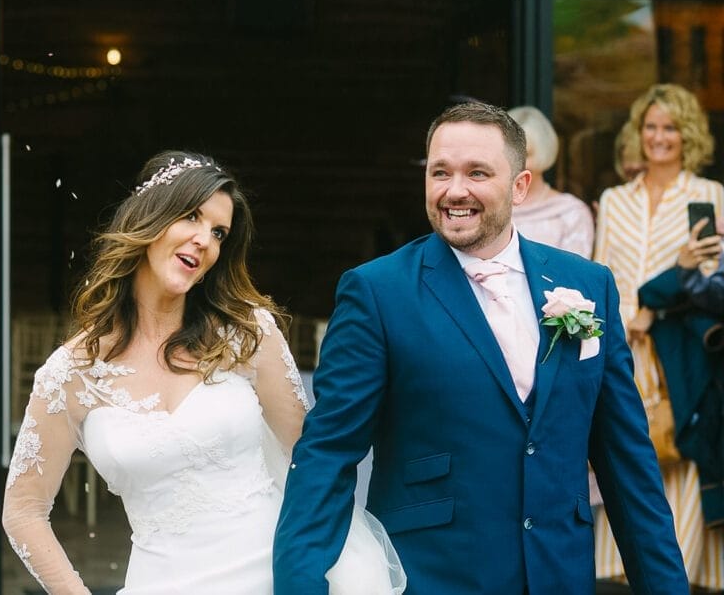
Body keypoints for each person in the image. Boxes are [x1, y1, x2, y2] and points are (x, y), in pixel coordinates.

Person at [274, 101, 687, 594]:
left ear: (520, 187)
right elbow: (328, 453)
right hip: (434, 576)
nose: (454, 191)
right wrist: (300, 584)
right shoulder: (377, 292)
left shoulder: (587, 284)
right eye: (440, 172)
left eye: (477, 173)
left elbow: (628, 465)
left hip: (560, 575)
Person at [3, 150, 404, 594]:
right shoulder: (70, 374)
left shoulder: (246, 334)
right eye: (191, 217)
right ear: (150, 218)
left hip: (272, 575)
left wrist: (307, 576)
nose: (205, 241)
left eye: (218, 233)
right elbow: (23, 511)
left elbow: (308, 461)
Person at [592, 83, 724, 589]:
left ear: (686, 133)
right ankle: (619, 568)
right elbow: (601, 274)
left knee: (681, 451)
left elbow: (710, 285)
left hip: (679, 352)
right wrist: (629, 317)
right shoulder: (614, 199)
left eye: (670, 127)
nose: (659, 136)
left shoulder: (708, 196)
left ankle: (676, 571)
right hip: (623, 347)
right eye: (650, 126)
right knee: (623, 449)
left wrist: (664, 292)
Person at [508, 105, 594, 258]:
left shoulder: (571, 213)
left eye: (526, 155)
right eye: (509, 155)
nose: (516, 164)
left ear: (543, 152)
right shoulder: (489, 206)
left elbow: (572, 276)